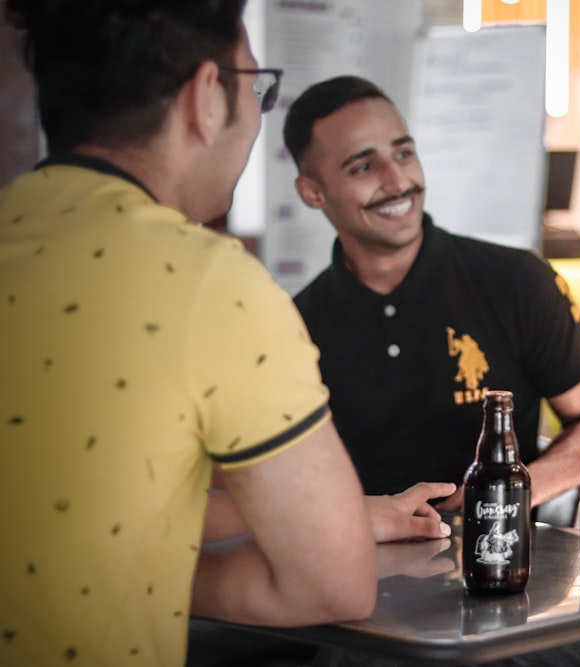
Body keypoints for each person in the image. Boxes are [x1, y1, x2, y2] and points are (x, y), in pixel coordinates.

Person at [0, 2, 448, 666]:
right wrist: (136, 575)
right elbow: (332, 583)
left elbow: (118, 489)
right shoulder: (210, 285)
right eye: (256, 86)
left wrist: (361, 512)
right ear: (206, 97)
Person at [284, 75, 580, 512]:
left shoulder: (515, 280)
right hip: (358, 569)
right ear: (313, 192)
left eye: (403, 153)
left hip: (505, 564)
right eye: (364, 166)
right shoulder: (293, 327)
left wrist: (506, 495)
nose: (398, 181)